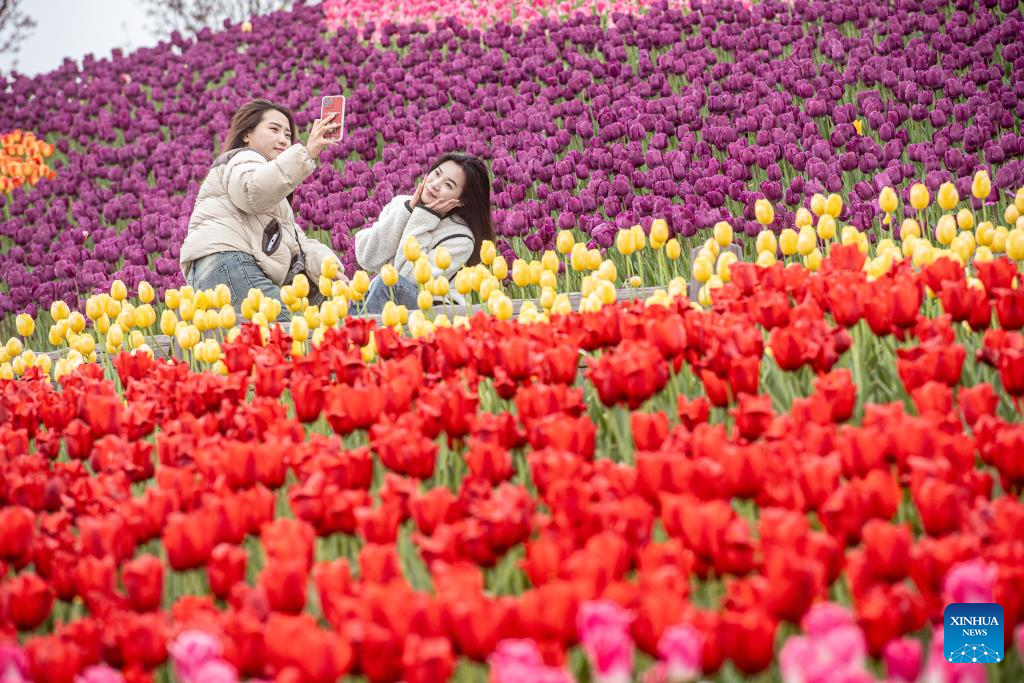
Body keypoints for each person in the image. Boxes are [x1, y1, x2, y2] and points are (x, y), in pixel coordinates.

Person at [179, 99, 343, 318]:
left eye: (287, 135)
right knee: (291, 333)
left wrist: (330, 270)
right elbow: (252, 192)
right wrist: (307, 152)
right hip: (228, 262)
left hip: (222, 269)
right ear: (247, 134)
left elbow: (297, 243)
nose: (283, 140)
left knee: (284, 341)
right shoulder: (241, 159)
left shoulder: (270, 187)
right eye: (274, 129)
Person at [355, 153, 495, 313]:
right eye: (436, 173)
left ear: (461, 200)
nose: (435, 185)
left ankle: (359, 336)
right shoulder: (400, 204)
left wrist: (424, 217)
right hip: (387, 301)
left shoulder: (462, 238)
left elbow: (409, 278)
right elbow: (367, 258)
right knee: (350, 295)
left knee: (385, 282)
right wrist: (408, 210)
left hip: (434, 312)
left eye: (448, 185)